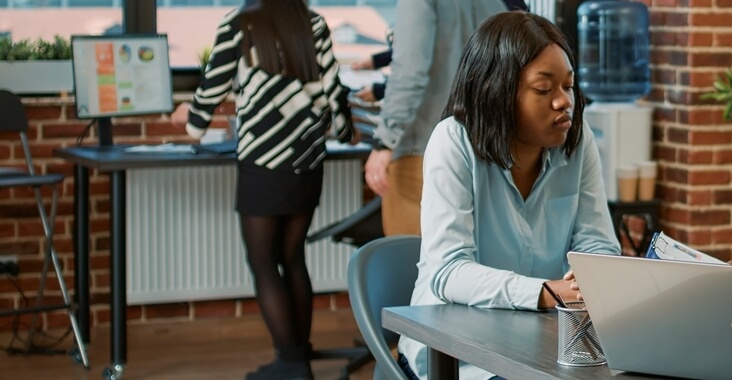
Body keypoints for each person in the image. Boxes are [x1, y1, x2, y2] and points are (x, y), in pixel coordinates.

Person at [399, 11, 621, 379]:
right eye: (543, 89)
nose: (563, 101)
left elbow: (598, 247)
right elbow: (448, 271)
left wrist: (588, 278)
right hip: (454, 353)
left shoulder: (577, 144)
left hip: (543, 344)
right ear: (498, 90)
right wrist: (545, 292)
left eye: (568, 86)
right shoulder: (453, 142)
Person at [171, 0, 354, 378]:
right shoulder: (312, 23)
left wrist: (191, 124)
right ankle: (298, 354)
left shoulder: (240, 24)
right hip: (307, 160)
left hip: (264, 162)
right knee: (292, 257)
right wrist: (347, 132)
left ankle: (290, 365)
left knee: (262, 261)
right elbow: (334, 90)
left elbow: (213, 85)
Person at [364, 0, 509, 236]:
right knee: (471, 261)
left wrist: (384, 142)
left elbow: (410, 72)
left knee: (412, 263)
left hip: (421, 150)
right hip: (483, 150)